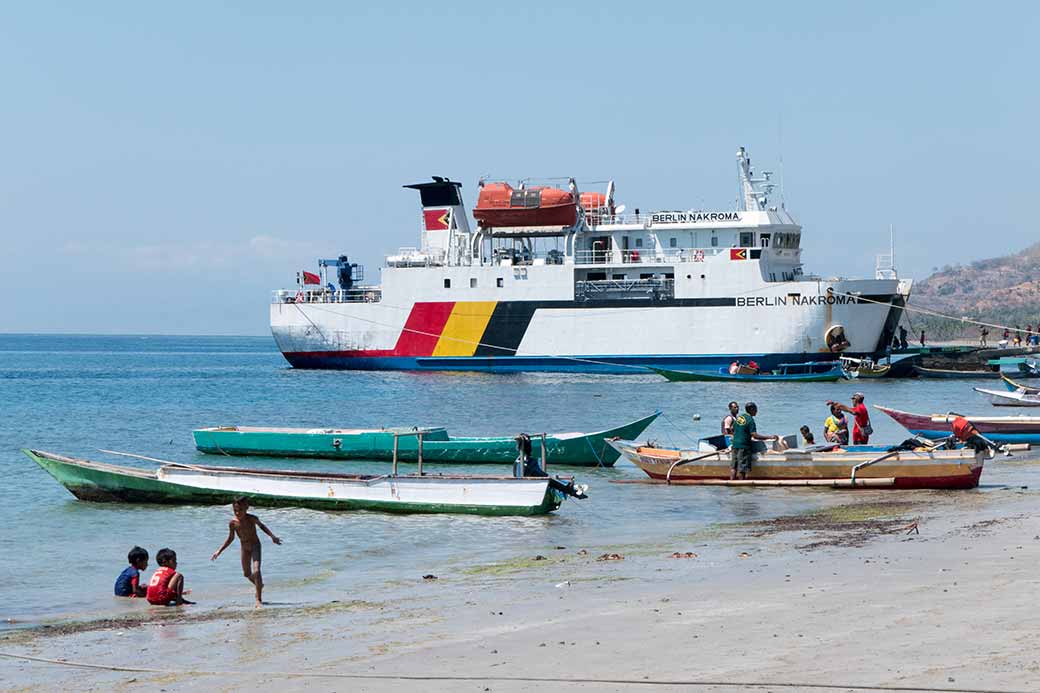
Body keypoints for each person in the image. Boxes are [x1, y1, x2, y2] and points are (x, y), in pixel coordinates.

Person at [211, 497, 282, 608]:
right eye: (235, 510)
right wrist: (219, 551)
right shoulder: (233, 523)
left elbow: (262, 526)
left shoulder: (252, 519)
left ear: (246, 508)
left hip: (255, 546)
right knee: (247, 574)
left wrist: (272, 537)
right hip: (245, 548)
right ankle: (259, 585)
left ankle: (258, 599)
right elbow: (230, 538)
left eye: (240, 510)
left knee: (257, 571)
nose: (238, 513)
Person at [730, 402, 778, 480]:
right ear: (751, 410)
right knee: (742, 469)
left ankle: (731, 484)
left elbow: (732, 429)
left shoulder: (740, 417)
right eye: (755, 409)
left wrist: (740, 435)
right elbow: (754, 435)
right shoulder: (750, 420)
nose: (756, 411)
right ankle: (741, 487)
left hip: (735, 445)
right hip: (744, 447)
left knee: (734, 467)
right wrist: (769, 437)